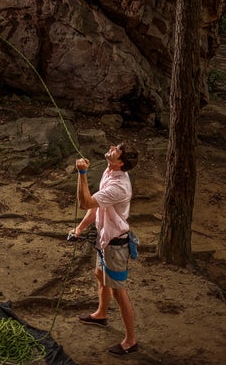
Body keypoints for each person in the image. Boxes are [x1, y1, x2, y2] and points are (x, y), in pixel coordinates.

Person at [69, 143, 139, 357]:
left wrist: (82, 174)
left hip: (116, 245)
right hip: (104, 238)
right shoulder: (109, 172)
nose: (111, 147)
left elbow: (86, 202)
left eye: (116, 149)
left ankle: (131, 341)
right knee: (99, 274)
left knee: (119, 291)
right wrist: (80, 229)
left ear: (120, 162)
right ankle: (101, 314)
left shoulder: (119, 186)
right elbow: (96, 207)